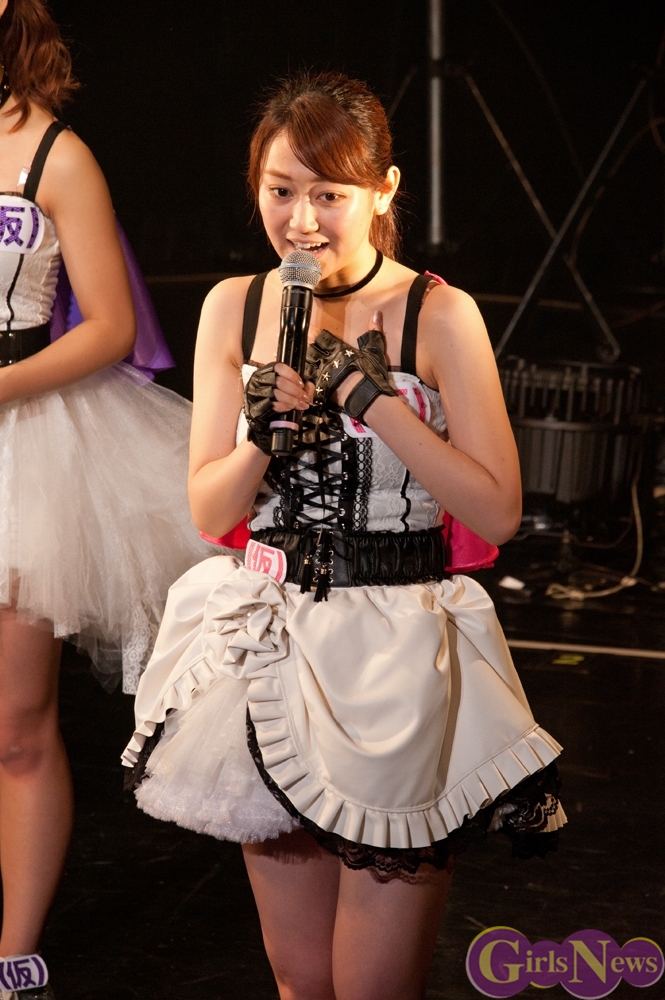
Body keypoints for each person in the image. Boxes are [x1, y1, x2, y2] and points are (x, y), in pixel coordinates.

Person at [124, 72, 566, 1000]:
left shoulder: (439, 313)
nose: (301, 220)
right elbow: (208, 507)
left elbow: (496, 512)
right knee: (301, 981)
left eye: (328, 193)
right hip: (272, 646)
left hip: (395, 660)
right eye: (280, 191)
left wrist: (370, 400)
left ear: (383, 190)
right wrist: (261, 433)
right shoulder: (233, 306)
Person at [0, 3, 213, 997]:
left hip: (22, 439)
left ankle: (14, 953)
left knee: (14, 724)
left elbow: (110, 325)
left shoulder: (58, 156)